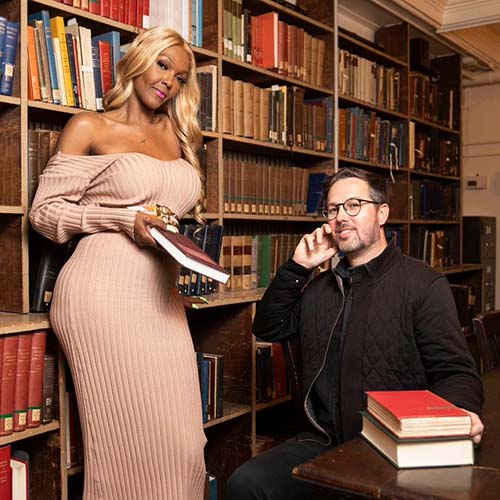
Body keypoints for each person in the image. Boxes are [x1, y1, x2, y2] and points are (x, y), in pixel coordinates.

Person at [227, 167, 484, 500]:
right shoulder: (318, 290)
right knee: (244, 484)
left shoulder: (423, 284)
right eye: (333, 209)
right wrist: (298, 267)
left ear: (382, 214)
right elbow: (268, 326)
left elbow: (459, 376)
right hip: (323, 440)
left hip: (391, 446)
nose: (340, 218)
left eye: (353, 205)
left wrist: (454, 416)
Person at [29, 27, 207, 499]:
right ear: (140, 60)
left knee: (185, 445)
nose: (169, 81)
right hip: (100, 294)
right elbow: (44, 214)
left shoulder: (180, 134)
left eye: (181, 76)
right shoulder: (91, 127)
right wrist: (124, 219)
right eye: (163, 65)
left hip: (160, 296)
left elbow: (170, 217)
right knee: (121, 447)